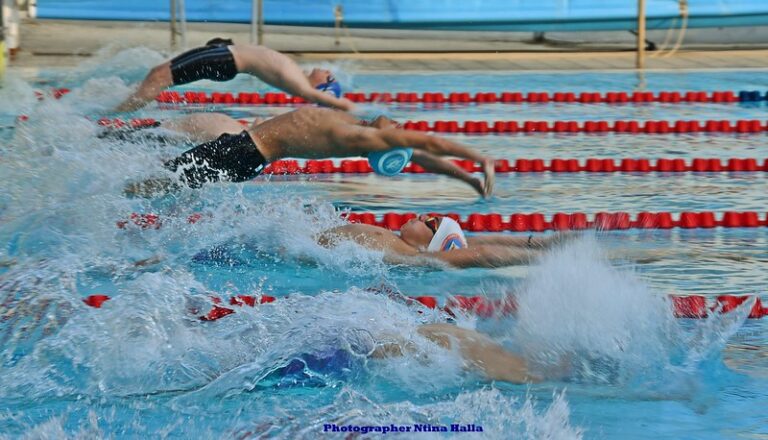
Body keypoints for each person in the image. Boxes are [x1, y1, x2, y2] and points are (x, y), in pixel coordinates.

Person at [124, 107, 496, 198]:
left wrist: (479, 158)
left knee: (153, 184)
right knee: (163, 180)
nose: (399, 126)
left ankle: (113, 196)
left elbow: (429, 144)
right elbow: (421, 155)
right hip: (241, 151)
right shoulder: (360, 126)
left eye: (398, 134)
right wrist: (466, 177)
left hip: (240, 153)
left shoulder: (359, 138)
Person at [115, 38, 355, 112]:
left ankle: (115, 113)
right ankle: (121, 103)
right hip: (225, 55)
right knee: (156, 75)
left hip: (226, 60)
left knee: (159, 77)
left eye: (330, 77)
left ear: (322, 88)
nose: (328, 71)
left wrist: (347, 106)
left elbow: (309, 95)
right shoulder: (296, 74)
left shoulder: (297, 82)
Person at [317, 214, 566, 268]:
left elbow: (481, 252)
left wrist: (544, 259)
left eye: (432, 222)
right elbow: (472, 242)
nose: (423, 216)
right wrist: (537, 242)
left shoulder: (418, 257)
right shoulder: (403, 245)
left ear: (432, 244)